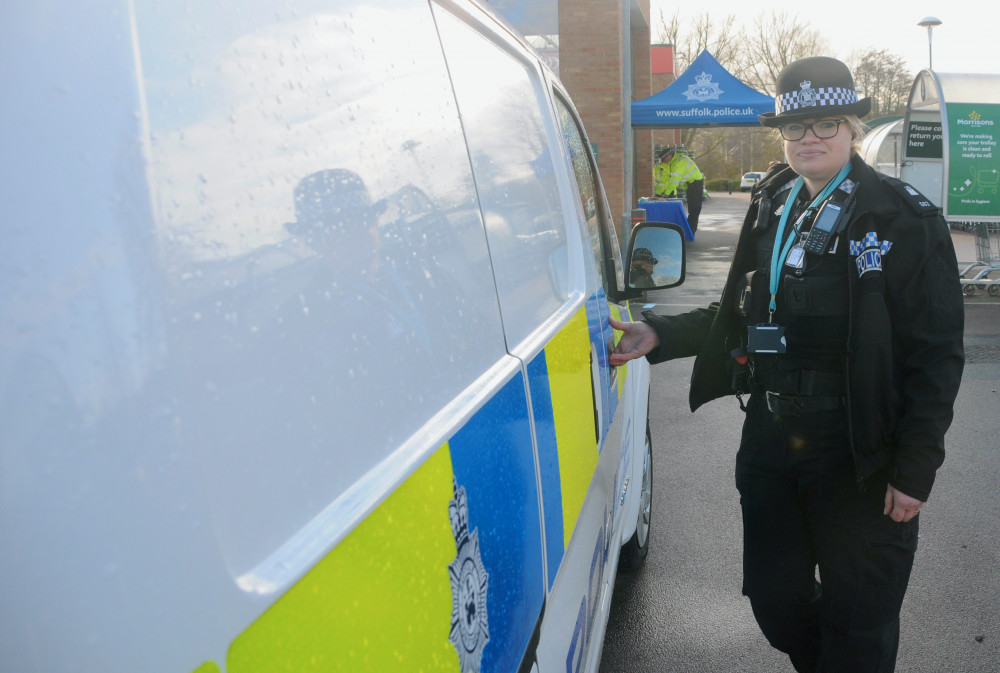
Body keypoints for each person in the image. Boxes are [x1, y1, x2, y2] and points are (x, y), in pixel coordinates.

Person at [611, 56, 964, 672]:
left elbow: (937, 355)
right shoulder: (774, 201)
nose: (809, 137)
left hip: (862, 450)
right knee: (776, 600)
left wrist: (916, 468)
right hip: (772, 440)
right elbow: (747, 309)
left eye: (825, 124)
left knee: (862, 616)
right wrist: (660, 332)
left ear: (853, 128)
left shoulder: (903, 219)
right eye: (796, 126)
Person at [654, 146, 705, 232]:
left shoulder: (678, 162)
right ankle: (689, 231)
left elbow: (674, 180)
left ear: (669, 156)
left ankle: (690, 232)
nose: (665, 161)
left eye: (664, 159)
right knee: (693, 210)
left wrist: (666, 194)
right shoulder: (676, 160)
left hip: (695, 184)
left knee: (694, 210)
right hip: (692, 185)